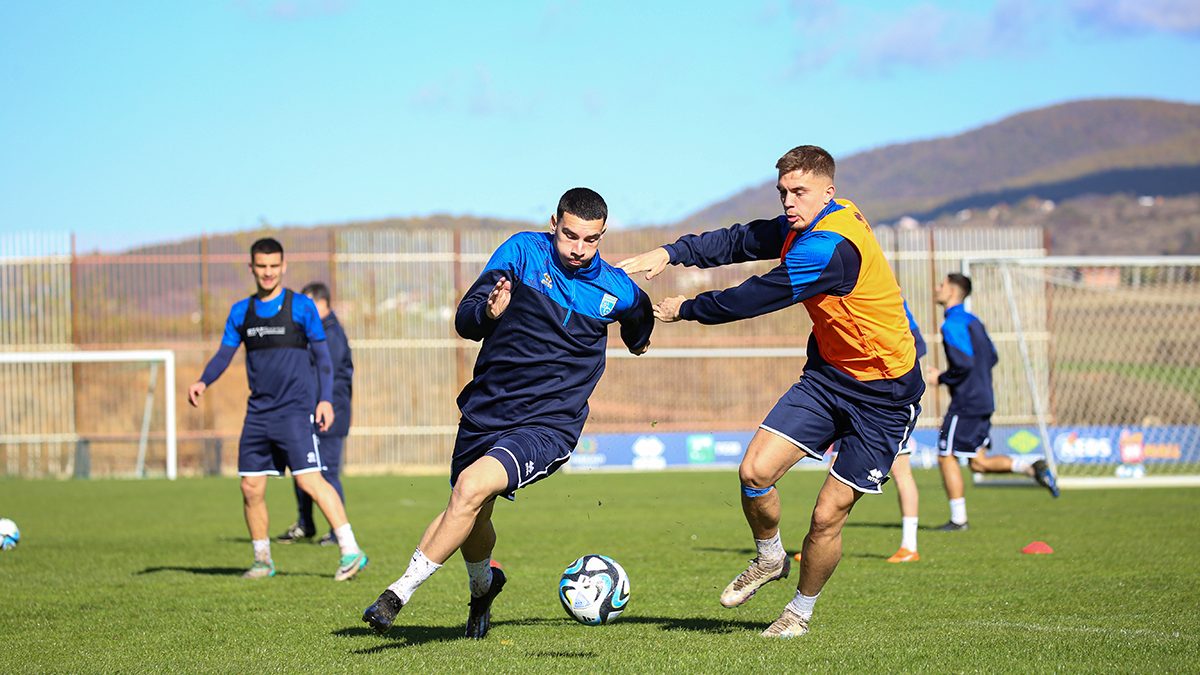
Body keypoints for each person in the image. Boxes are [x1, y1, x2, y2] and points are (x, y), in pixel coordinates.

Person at [618, 145, 923, 638]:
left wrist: (686, 309)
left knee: (827, 516)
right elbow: (741, 240)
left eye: (799, 191)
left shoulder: (829, 247)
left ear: (829, 191)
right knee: (754, 471)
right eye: (783, 192)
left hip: (884, 396)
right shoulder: (807, 223)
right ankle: (769, 558)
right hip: (828, 378)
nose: (788, 201)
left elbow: (757, 296)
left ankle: (799, 612)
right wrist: (671, 252)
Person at [361, 187, 654, 639]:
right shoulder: (521, 252)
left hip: (548, 424)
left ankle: (395, 595)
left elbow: (641, 315)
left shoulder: (616, 289)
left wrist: (640, 341)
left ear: (603, 235)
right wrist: (489, 313)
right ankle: (484, 588)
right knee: (472, 511)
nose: (578, 250)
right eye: (570, 236)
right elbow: (465, 320)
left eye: (590, 240)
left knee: (471, 488)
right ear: (553, 223)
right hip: (487, 409)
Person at [188, 237, 368, 581]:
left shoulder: (302, 308)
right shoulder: (241, 312)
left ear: (283, 267)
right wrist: (203, 381)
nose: (268, 273)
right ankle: (262, 560)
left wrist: (325, 399)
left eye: (274, 266)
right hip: (258, 413)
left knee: (310, 480)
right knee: (250, 487)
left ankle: (350, 550)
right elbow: (225, 354)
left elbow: (324, 359)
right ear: (252, 268)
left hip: (295, 411)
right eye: (261, 266)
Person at [927, 273, 1059, 532]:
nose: (937, 288)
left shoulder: (952, 323)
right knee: (978, 462)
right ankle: (1030, 466)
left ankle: (958, 520)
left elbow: (963, 363)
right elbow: (993, 357)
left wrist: (940, 377)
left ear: (953, 291)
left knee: (946, 455)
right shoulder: (974, 321)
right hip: (985, 397)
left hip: (966, 401)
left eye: (941, 285)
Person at [276, 281, 354, 547]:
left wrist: (324, 405)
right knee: (303, 469)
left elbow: (327, 376)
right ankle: (306, 523)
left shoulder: (330, 335)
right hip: (309, 411)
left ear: (322, 303)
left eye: (308, 304)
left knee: (327, 472)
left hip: (330, 413)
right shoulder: (315, 331)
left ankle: (337, 531)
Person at [885, 300, 926, 564]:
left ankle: (909, 546)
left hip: (884, 399)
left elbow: (918, 344)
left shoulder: (889, 297)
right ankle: (822, 541)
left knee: (902, 471)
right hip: (857, 395)